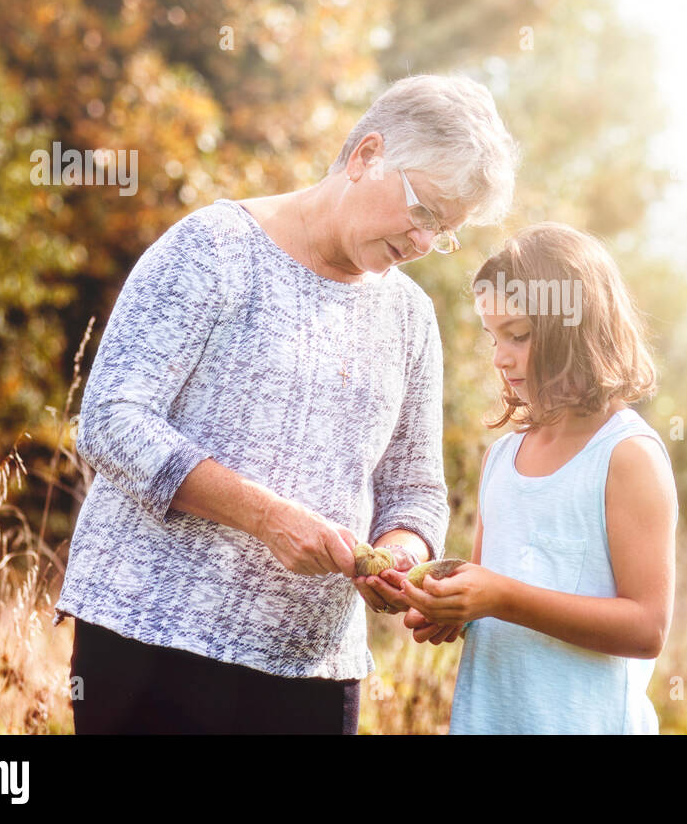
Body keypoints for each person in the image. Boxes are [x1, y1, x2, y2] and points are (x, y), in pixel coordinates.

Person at [54, 74, 519, 733]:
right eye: (423, 212)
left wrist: (402, 554)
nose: (423, 243)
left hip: (314, 674)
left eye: (443, 232)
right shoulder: (212, 248)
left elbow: (416, 490)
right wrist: (267, 517)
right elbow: (111, 421)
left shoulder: (410, 318)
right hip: (151, 644)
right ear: (367, 157)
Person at [384, 222, 679, 733]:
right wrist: (451, 608)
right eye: (493, 337)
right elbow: (491, 589)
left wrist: (501, 596)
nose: (499, 356)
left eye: (518, 336)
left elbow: (646, 628)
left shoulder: (627, 456)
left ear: (575, 328)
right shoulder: (502, 457)